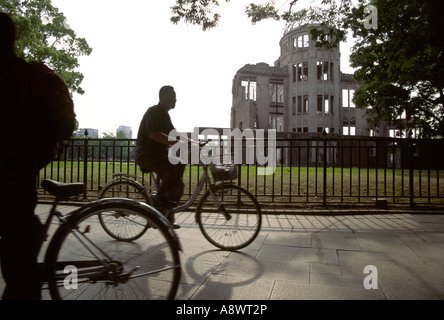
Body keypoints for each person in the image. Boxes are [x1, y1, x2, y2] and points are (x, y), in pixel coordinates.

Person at [0, 12, 76, 299]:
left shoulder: (9, 76)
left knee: (18, 261)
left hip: (11, 173)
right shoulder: (22, 73)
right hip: (22, 168)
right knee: (18, 239)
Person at [134, 86, 191, 229]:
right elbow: (154, 134)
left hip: (157, 155)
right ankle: (158, 199)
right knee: (178, 164)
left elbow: (173, 133)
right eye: (173, 96)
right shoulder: (153, 112)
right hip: (146, 154)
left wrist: (193, 142)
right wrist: (178, 142)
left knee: (178, 184)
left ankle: (165, 219)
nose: (176, 99)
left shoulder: (164, 115)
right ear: (164, 97)